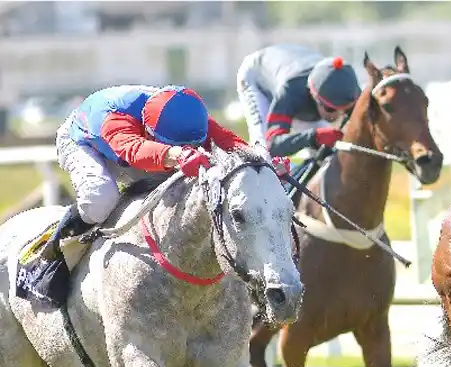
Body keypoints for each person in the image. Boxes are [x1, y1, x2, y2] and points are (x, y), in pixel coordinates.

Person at [42, 85, 253, 260]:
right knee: (100, 200)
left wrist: (260, 160)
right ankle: (52, 252)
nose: (187, 148)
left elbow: (227, 141)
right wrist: (177, 154)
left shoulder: (188, 115)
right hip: (84, 141)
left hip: (133, 145)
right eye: (177, 144)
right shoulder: (115, 118)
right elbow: (133, 149)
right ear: (148, 129)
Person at [236, 44, 362, 157]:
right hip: (255, 76)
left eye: (346, 109)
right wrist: (312, 137)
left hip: (295, 64)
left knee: (326, 152)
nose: (339, 115)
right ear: (314, 95)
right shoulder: (291, 91)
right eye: (330, 109)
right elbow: (272, 145)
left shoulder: (353, 92)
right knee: (263, 152)